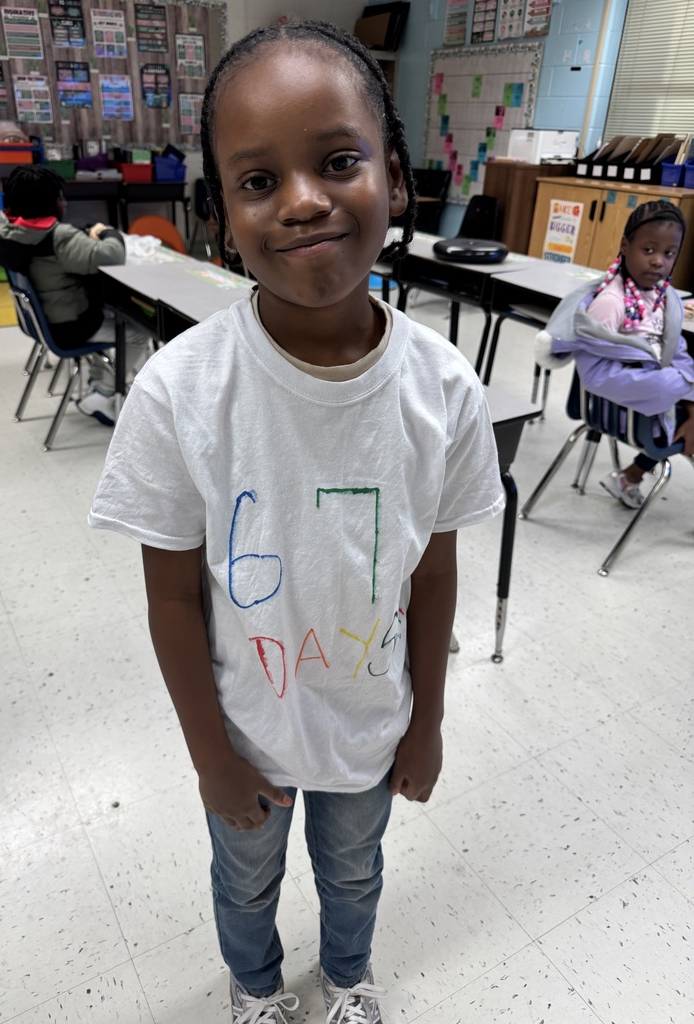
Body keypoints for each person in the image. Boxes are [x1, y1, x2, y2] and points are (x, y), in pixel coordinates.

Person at [88, 20, 504, 1024]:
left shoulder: (444, 388)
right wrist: (210, 756)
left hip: (371, 721)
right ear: (221, 216)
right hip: (248, 731)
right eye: (258, 180)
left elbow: (435, 574)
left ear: (396, 180)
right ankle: (258, 988)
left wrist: (431, 717)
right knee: (244, 879)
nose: (306, 199)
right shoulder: (184, 390)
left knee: (355, 872)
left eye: (338, 161)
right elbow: (172, 595)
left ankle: (350, 977)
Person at [535, 200, 694, 508]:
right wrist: (682, 385)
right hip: (623, 414)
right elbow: (596, 376)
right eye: (648, 250)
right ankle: (631, 476)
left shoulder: (661, 297)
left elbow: (678, 351)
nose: (659, 262)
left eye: (669, 253)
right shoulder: (610, 302)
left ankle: (630, 477)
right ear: (625, 245)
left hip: (648, 407)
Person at [0, 165, 148, 426]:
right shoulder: (57, 237)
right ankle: (103, 392)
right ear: (47, 204)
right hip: (70, 324)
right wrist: (106, 231)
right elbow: (111, 255)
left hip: (41, 319)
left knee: (115, 315)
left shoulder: (5, 226)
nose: (64, 203)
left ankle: (100, 379)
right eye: (60, 198)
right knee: (138, 331)